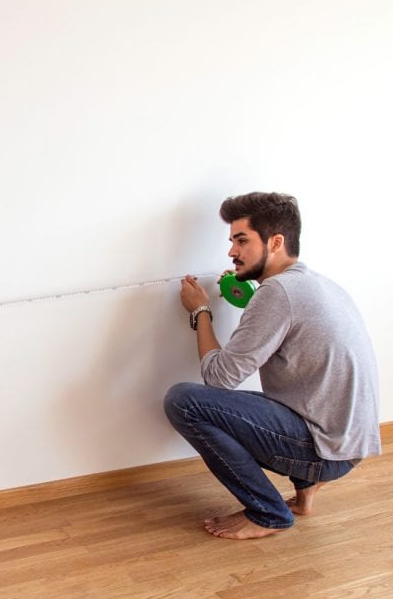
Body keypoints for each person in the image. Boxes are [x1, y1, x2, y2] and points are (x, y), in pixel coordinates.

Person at [163, 192, 380, 540]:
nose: (232, 251)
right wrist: (252, 298)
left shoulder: (277, 293)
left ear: (275, 242)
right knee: (283, 397)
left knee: (183, 401)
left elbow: (218, 378)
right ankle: (305, 494)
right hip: (349, 446)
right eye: (232, 241)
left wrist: (200, 312)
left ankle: (267, 512)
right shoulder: (319, 285)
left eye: (242, 240)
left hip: (323, 450)